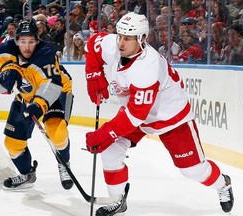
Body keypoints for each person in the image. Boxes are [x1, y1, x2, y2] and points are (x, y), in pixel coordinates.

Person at [84, 12, 234, 216]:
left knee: (193, 171)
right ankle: (118, 199)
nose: (121, 42)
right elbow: (92, 45)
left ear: (142, 39)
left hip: (170, 117)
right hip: (136, 113)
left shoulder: (148, 66)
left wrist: (106, 132)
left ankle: (222, 184)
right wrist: (93, 75)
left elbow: (135, 115)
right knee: (111, 151)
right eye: (120, 36)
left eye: (128, 38)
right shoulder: (114, 45)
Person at [0, 19, 74, 190]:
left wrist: (39, 104)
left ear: (37, 39)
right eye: (22, 41)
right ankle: (27, 174)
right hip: (26, 96)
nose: (27, 47)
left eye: (31, 41)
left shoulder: (46, 52)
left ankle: (64, 164)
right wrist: (2, 79)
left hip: (57, 92)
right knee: (12, 143)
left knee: (56, 132)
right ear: (16, 39)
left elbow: (52, 84)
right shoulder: (4, 52)